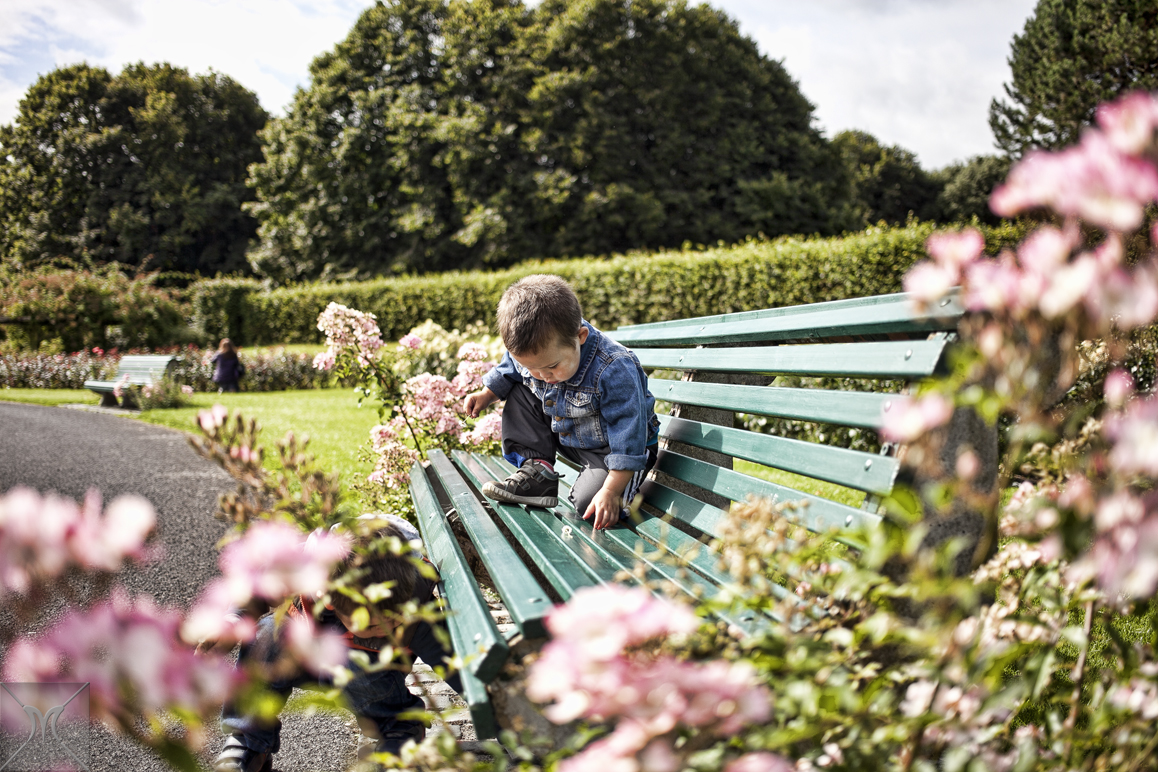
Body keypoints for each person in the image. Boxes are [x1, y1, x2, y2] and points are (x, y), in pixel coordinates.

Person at [209, 515, 461, 772]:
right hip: (305, 656)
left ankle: (399, 728)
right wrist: (232, 621)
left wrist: (486, 699)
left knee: (355, 663)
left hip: (371, 680)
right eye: (372, 624)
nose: (385, 627)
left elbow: (453, 663)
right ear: (329, 599)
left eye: (392, 620)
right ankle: (248, 741)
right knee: (268, 633)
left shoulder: (412, 603)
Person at [463, 274, 660, 530]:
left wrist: (611, 491)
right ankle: (539, 472)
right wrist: (486, 394)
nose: (543, 376)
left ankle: (618, 491)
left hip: (616, 450)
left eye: (552, 366)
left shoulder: (614, 368)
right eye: (531, 367)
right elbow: (510, 368)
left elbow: (630, 435)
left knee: (590, 508)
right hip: (572, 436)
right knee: (520, 388)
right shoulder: (538, 353)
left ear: (581, 336)